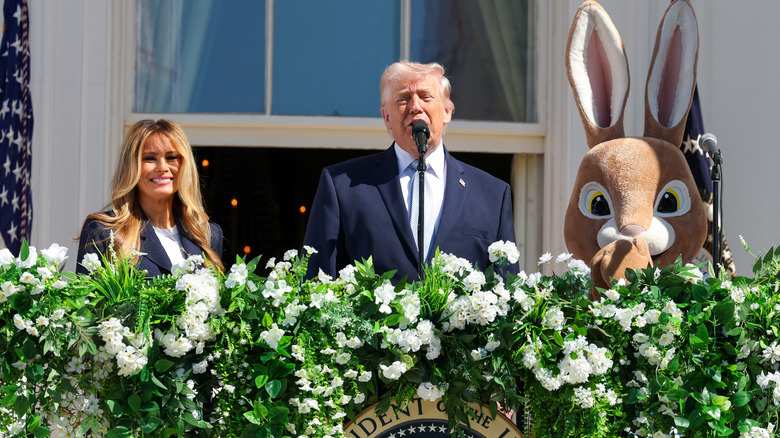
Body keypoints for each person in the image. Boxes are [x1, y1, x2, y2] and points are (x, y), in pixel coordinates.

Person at [303, 61, 517, 282]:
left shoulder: (492, 194)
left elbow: (507, 292)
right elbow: (316, 283)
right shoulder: (343, 186)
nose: (415, 106)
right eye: (403, 99)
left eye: (425, 97)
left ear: (446, 112)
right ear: (387, 118)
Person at [76, 119, 223, 276]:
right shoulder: (103, 231)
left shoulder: (207, 233)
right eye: (150, 158)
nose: (162, 167)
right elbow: (87, 299)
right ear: (131, 167)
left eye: (172, 157)